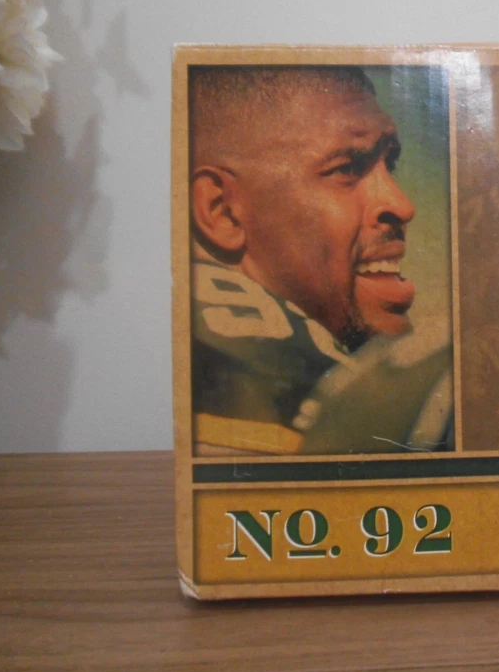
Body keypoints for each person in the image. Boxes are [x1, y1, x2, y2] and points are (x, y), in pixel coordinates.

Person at [188, 66, 452, 455]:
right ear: (222, 211)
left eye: (389, 164)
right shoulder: (265, 385)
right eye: (346, 169)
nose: (402, 205)